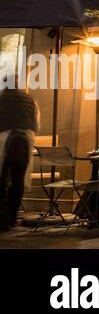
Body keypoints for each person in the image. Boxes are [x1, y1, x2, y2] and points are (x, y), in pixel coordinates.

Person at [0, 87, 39, 232]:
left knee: (2, 179)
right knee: (18, 180)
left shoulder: (2, 97)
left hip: (5, 137)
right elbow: (36, 122)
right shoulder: (28, 98)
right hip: (25, 138)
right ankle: (11, 218)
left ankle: (1, 219)